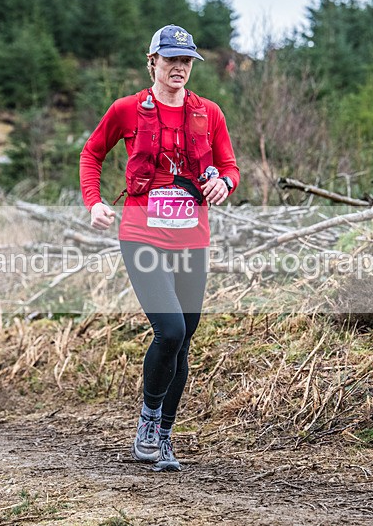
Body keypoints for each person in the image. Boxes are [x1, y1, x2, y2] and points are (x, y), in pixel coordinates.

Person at [79, 24, 239, 472]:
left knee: (183, 342)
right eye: (171, 60)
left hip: (192, 238)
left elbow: (229, 165)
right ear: (152, 62)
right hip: (142, 235)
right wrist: (94, 202)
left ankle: (164, 436)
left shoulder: (210, 113)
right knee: (169, 330)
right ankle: (148, 421)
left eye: (186, 61)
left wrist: (225, 182)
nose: (179, 68)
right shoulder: (127, 110)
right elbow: (92, 153)